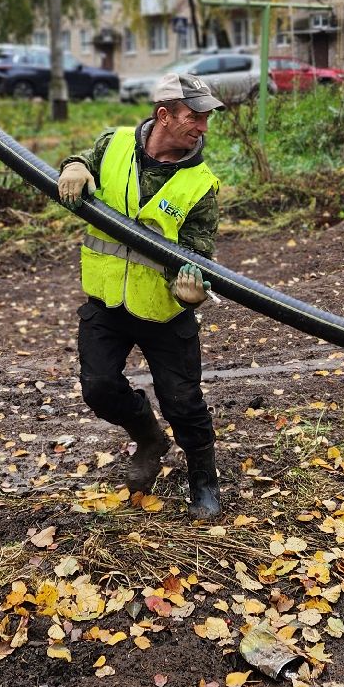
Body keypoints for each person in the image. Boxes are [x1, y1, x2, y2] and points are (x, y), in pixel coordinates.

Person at [56, 72, 224, 519]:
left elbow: (200, 252)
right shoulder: (113, 145)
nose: (203, 128)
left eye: (206, 119)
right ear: (164, 115)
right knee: (98, 388)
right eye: (195, 117)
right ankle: (149, 437)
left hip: (165, 313)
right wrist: (72, 167)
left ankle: (204, 479)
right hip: (107, 303)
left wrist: (191, 293)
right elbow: (83, 164)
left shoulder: (200, 184)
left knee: (184, 402)